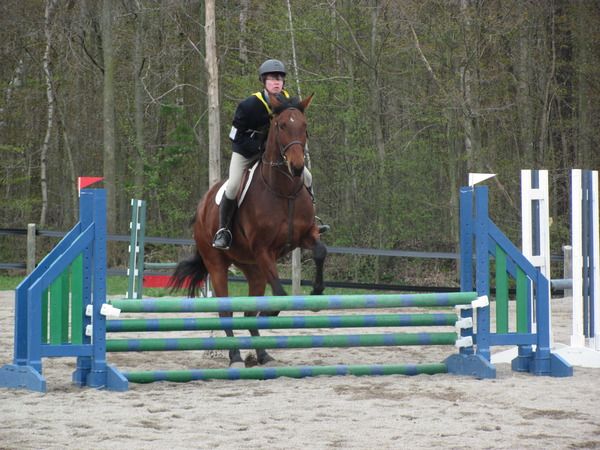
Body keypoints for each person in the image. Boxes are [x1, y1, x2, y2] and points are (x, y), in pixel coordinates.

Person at [212, 58, 329, 250]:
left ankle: (311, 221)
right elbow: (235, 136)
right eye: (272, 78)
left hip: (275, 154)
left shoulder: (288, 101)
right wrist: (259, 147)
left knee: (307, 176)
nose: (277, 82)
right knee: (232, 186)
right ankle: (224, 230)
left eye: (280, 78)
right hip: (246, 151)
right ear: (263, 81)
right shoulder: (248, 105)